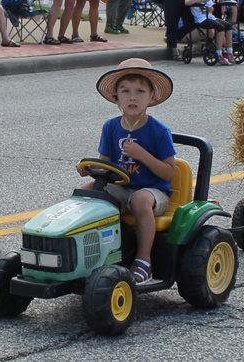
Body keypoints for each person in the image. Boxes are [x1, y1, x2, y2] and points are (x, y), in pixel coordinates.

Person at [76, 58, 176, 285]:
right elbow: (105, 165)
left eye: (140, 91)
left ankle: (144, 261)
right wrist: (89, 170)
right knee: (86, 192)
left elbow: (169, 173)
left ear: (152, 97)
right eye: (126, 91)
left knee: (140, 200)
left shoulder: (159, 131)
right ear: (116, 97)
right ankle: (91, 253)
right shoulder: (111, 127)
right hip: (122, 187)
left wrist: (143, 155)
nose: (133, 97)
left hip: (153, 191)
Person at [186, 0, 236, 65]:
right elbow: (186, 3)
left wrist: (210, 9)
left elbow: (211, 8)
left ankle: (229, 51)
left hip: (210, 17)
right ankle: (219, 53)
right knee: (220, 27)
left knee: (228, 26)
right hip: (201, 19)